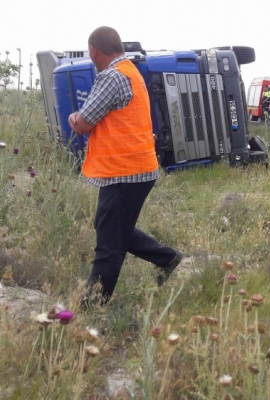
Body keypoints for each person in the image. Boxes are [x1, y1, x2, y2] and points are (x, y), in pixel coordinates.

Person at [67, 26, 183, 307]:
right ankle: (166, 258)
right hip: (137, 168)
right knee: (111, 226)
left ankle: (91, 308)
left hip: (124, 172)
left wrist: (73, 117)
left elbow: (83, 123)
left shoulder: (111, 76)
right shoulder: (131, 71)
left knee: (109, 246)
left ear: (93, 51)